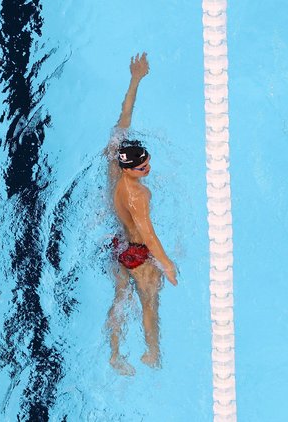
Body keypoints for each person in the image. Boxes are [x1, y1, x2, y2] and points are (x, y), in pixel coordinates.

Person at [104, 52, 178, 375]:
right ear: (130, 168)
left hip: (118, 243)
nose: (149, 168)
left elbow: (125, 114)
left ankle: (116, 353)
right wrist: (167, 263)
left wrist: (135, 79)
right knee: (151, 300)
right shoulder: (137, 196)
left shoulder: (114, 157)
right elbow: (148, 235)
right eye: (143, 166)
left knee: (120, 300)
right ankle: (152, 352)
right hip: (136, 251)